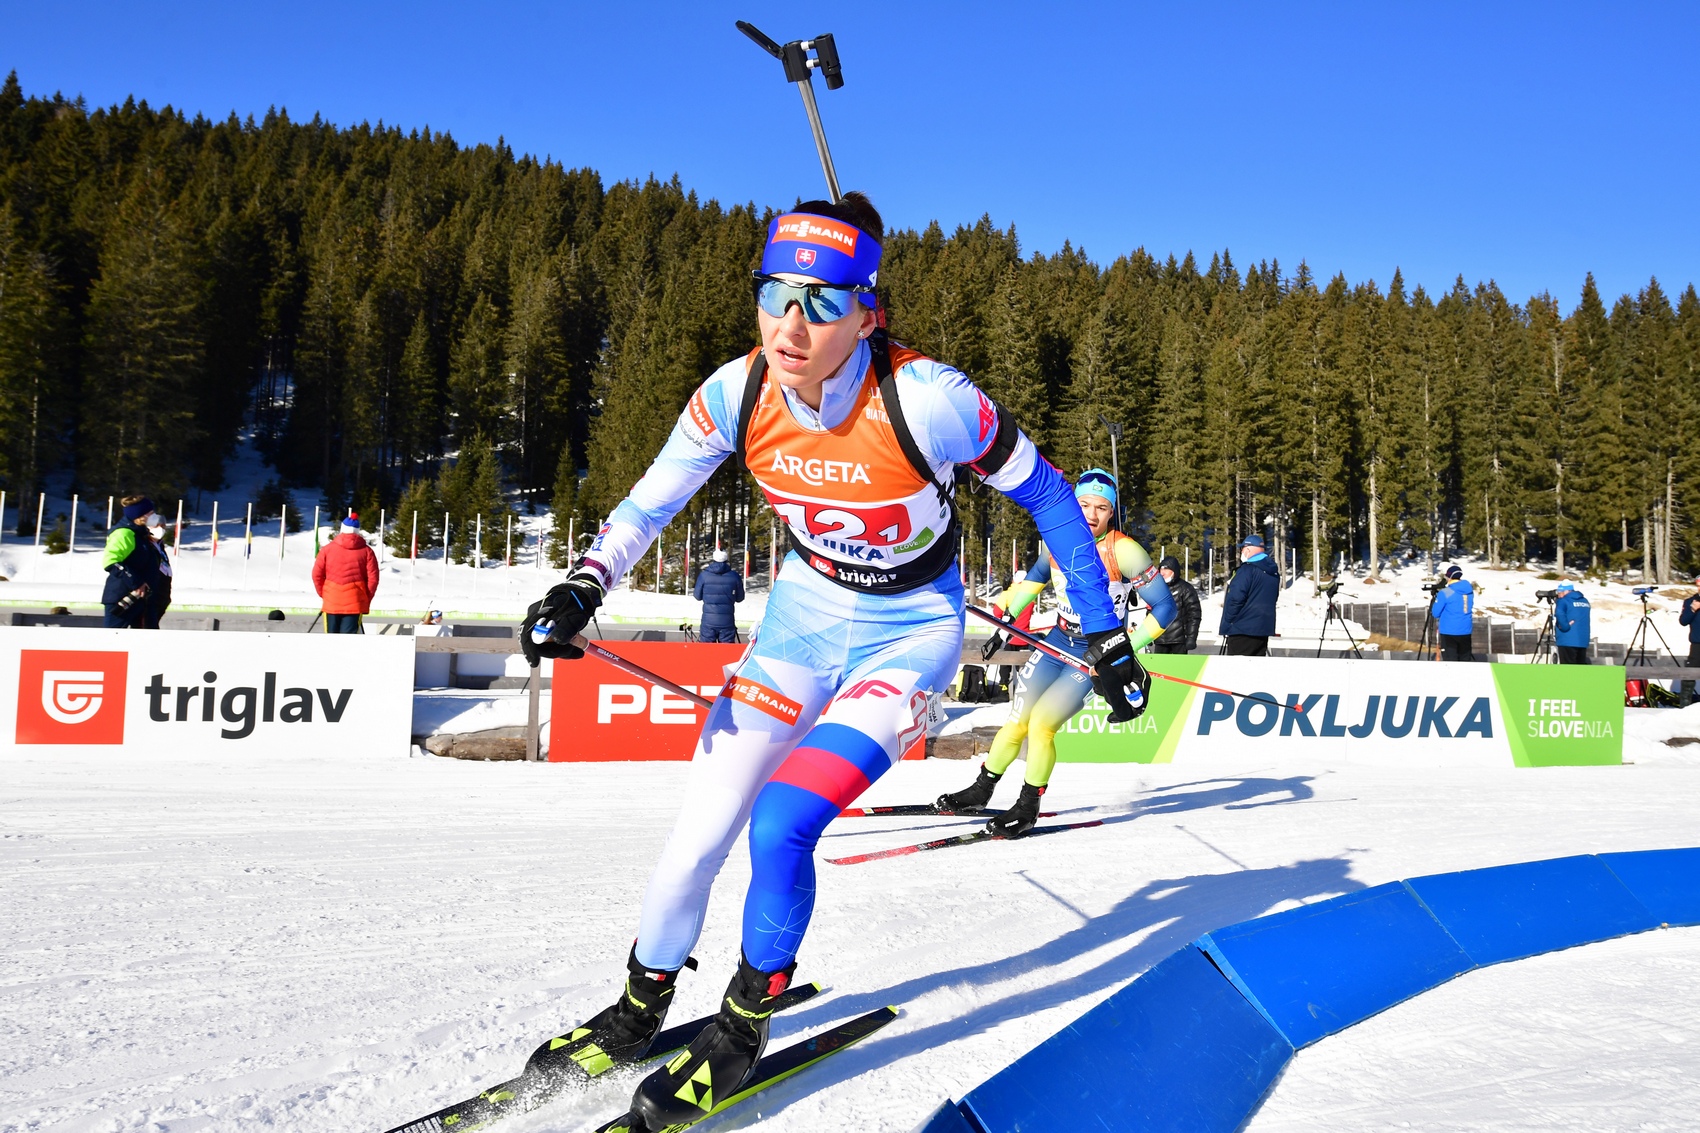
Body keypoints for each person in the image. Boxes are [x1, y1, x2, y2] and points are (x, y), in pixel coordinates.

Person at [518, 192, 1144, 1132]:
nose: (791, 324)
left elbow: (1053, 497)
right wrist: (585, 581)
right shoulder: (735, 394)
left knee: (782, 821)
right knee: (699, 831)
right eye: (775, 293)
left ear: (868, 313)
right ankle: (638, 1007)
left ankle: (741, 1026)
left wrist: (1104, 632)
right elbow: (650, 502)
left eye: (821, 302)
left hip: (909, 637)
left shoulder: (930, 400)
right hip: (801, 626)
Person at [936, 469, 1175, 836]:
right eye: (1084, 504)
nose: (1091, 514)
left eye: (1101, 507)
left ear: (1112, 512)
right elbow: (1034, 580)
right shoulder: (1058, 537)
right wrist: (1005, 625)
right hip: (1058, 640)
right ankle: (980, 790)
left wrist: (1123, 648)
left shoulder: (1123, 550)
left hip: (1093, 653)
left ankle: (1027, 806)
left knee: (1042, 724)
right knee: (1017, 719)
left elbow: (1165, 608)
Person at [101, 496, 164, 629]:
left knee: (147, 638)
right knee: (113, 637)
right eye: (150, 513)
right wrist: (137, 583)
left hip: (143, 599)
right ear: (139, 516)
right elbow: (111, 562)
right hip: (123, 599)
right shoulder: (124, 533)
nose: (154, 516)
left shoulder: (141, 534)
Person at [311, 514, 380, 633]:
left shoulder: (327, 550)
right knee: (348, 640)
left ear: (342, 529)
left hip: (331, 601)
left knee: (331, 639)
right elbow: (373, 579)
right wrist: (365, 598)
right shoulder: (367, 551)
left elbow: (316, 575)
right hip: (355, 602)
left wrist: (325, 594)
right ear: (357, 531)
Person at [1218, 534, 1279, 655]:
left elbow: (1236, 598)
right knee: (1255, 665)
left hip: (1242, 629)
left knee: (1238, 665)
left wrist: (1229, 621)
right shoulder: (1273, 572)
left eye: (1242, 549)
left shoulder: (1247, 570)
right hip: (1263, 628)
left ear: (1248, 549)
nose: (1241, 552)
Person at [692, 547, 745, 643]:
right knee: (727, 651)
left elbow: (697, 596)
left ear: (714, 558)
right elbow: (740, 598)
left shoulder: (704, 575)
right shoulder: (734, 576)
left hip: (708, 621)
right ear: (726, 559)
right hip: (727, 621)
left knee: (706, 650)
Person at [1152, 554, 1200, 654]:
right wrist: (1149, 635)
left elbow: (1194, 615)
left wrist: (1191, 638)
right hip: (1160, 639)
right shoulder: (1157, 589)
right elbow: (1151, 614)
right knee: (1158, 665)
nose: (1162, 572)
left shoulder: (1186, 589)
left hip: (1179, 640)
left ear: (1174, 571)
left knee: (1178, 665)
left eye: (1166, 569)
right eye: (1161, 569)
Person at [1431, 564, 1475, 661]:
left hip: (1449, 631)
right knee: (1465, 659)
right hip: (1466, 630)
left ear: (1449, 577)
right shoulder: (1469, 591)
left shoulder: (1446, 592)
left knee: (1451, 661)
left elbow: (1435, 613)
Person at [142, 520, 173, 629]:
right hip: (149, 597)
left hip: (161, 597)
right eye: (156, 525)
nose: (161, 529)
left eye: (163, 526)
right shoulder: (145, 545)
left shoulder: (160, 546)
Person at [1553, 581, 1591, 664]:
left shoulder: (1564, 601)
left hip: (1567, 640)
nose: (1558, 594)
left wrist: (1564, 626)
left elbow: (1559, 613)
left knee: (1568, 668)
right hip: (1582, 640)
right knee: (1580, 666)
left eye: (1559, 592)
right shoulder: (1585, 601)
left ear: (1566, 591)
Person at [1679, 575, 1700, 668]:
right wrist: (1693, 610)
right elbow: (1683, 621)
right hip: (1697, 644)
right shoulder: (1690, 601)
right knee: (1691, 673)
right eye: (1698, 586)